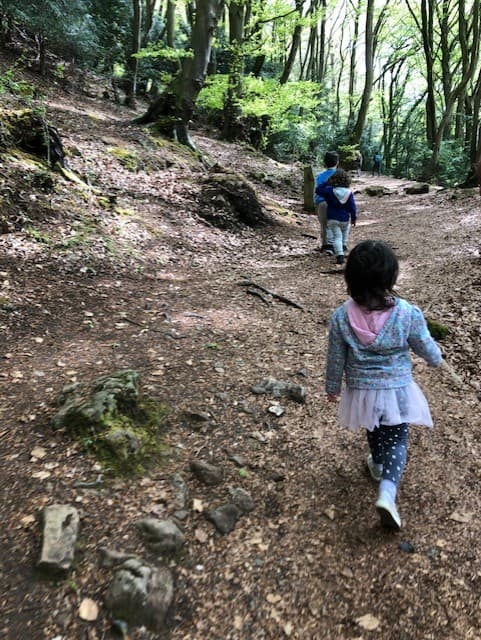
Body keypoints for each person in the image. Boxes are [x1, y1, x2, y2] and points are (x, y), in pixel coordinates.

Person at [325, 240, 442, 530]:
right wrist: (436, 359)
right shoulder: (407, 313)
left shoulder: (341, 316)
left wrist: (332, 386)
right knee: (397, 437)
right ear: (391, 277)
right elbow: (424, 344)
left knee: (374, 427)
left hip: (362, 389)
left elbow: (335, 355)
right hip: (396, 388)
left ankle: (377, 464)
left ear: (350, 278)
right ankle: (387, 492)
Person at [315, 168, 357, 266]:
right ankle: (343, 246)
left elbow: (318, 190)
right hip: (345, 219)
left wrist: (326, 182)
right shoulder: (349, 193)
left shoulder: (330, 191)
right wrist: (354, 218)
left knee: (336, 237)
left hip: (333, 218)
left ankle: (340, 255)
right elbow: (353, 207)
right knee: (344, 234)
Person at [314, 151, 339, 254]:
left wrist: (316, 204)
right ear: (337, 162)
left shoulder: (320, 176)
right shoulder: (340, 175)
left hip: (322, 203)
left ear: (324, 163)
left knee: (324, 225)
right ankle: (334, 246)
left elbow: (316, 191)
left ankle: (325, 246)